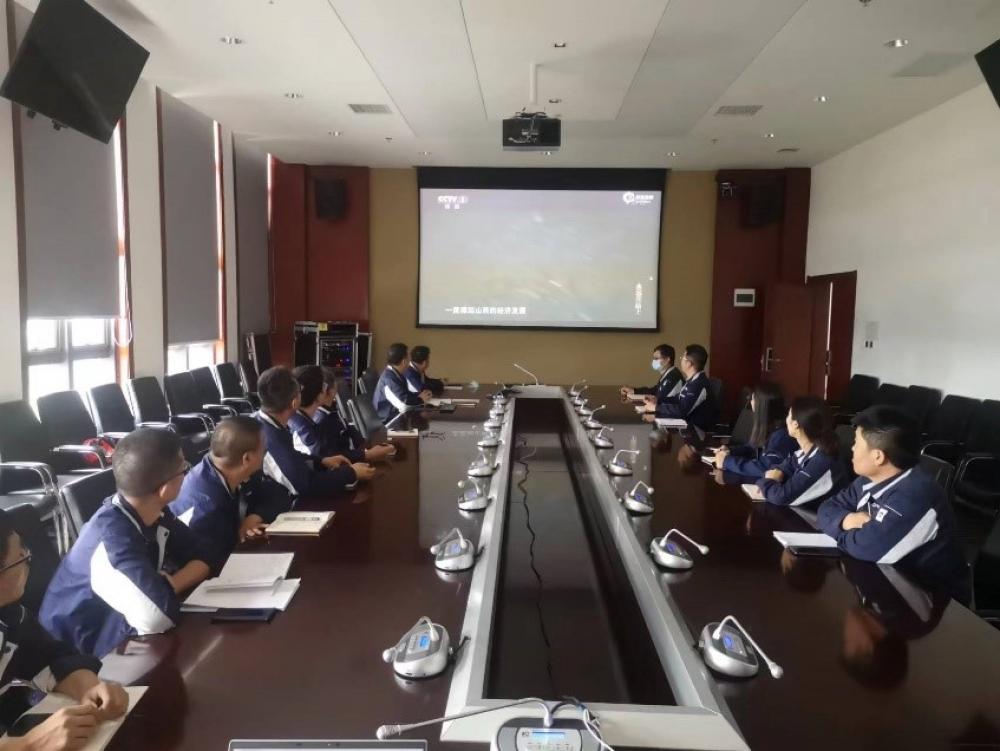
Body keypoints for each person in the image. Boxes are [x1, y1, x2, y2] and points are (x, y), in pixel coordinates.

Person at [40, 429, 212, 657]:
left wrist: (170, 585)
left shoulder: (153, 512)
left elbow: (205, 554)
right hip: (80, 655)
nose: (186, 473)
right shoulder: (113, 539)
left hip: (121, 630)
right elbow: (159, 616)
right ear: (165, 489)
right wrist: (163, 590)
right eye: (183, 469)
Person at [0, 509, 129, 747]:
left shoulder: (10, 614)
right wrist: (31, 744)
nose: (27, 559)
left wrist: (90, 688)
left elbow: (50, 655)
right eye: (18, 557)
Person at [817, 405, 970, 604]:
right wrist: (848, 520)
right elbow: (826, 509)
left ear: (878, 456)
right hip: (888, 582)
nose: (852, 448)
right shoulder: (869, 479)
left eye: (856, 443)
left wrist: (840, 532)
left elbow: (867, 548)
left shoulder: (915, 494)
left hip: (933, 601)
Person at [169, 416, 292, 575]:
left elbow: (278, 492)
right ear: (247, 458)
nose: (264, 454)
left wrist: (254, 517)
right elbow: (213, 563)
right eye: (264, 450)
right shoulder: (208, 507)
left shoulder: (228, 467)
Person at [255, 366, 373, 499]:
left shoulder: (266, 423)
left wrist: (321, 461)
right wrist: (351, 473)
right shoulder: (269, 438)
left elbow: (292, 456)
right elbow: (305, 485)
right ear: (294, 402)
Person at [289, 366, 394, 464]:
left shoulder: (303, 420)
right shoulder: (306, 427)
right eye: (323, 386)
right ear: (322, 392)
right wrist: (367, 455)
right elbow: (326, 458)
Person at [756, 396, 847, 506]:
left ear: (796, 424)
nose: (786, 419)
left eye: (788, 415)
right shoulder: (804, 451)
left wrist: (768, 481)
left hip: (811, 515)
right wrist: (773, 477)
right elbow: (777, 469)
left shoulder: (823, 460)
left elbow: (781, 497)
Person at [712, 383, 798, 477]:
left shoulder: (781, 435)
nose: (750, 402)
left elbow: (766, 469)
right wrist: (729, 451)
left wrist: (727, 461)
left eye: (752, 398)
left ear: (760, 405)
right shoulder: (769, 425)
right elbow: (751, 447)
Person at [649, 344, 719, 431]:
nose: (680, 359)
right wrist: (658, 400)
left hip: (696, 432)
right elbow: (678, 399)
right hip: (686, 426)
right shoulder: (692, 380)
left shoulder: (699, 384)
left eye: (682, 357)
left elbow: (682, 410)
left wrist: (656, 408)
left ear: (689, 363)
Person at [373, 343, 431, 423]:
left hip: (396, 416)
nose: (410, 362)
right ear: (404, 361)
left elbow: (405, 394)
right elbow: (403, 404)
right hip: (387, 421)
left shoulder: (396, 374)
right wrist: (420, 399)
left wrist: (419, 394)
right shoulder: (389, 378)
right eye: (408, 359)